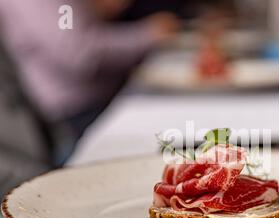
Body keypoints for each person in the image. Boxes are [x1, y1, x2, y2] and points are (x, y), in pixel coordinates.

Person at [0, 0, 178, 164]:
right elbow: (77, 53)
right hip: (75, 116)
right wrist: (147, 35)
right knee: (164, 154)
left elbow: (75, 34)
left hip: (97, 101)